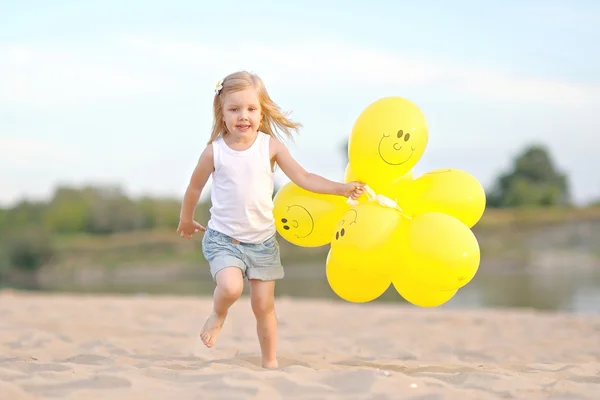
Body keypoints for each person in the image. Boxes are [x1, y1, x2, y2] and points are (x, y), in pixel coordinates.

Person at [176, 70, 365, 369]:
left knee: (263, 307)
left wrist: (341, 189)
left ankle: (270, 362)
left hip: (262, 243)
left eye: (251, 109)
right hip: (224, 239)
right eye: (234, 109)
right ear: (221, 113)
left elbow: (303, 177)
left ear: (262, 112)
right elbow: (194, 188)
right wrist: (186, 220)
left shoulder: (271, 147)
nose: (243, 116)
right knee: (231, 288)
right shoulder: (215, 152)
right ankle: (219, 314)